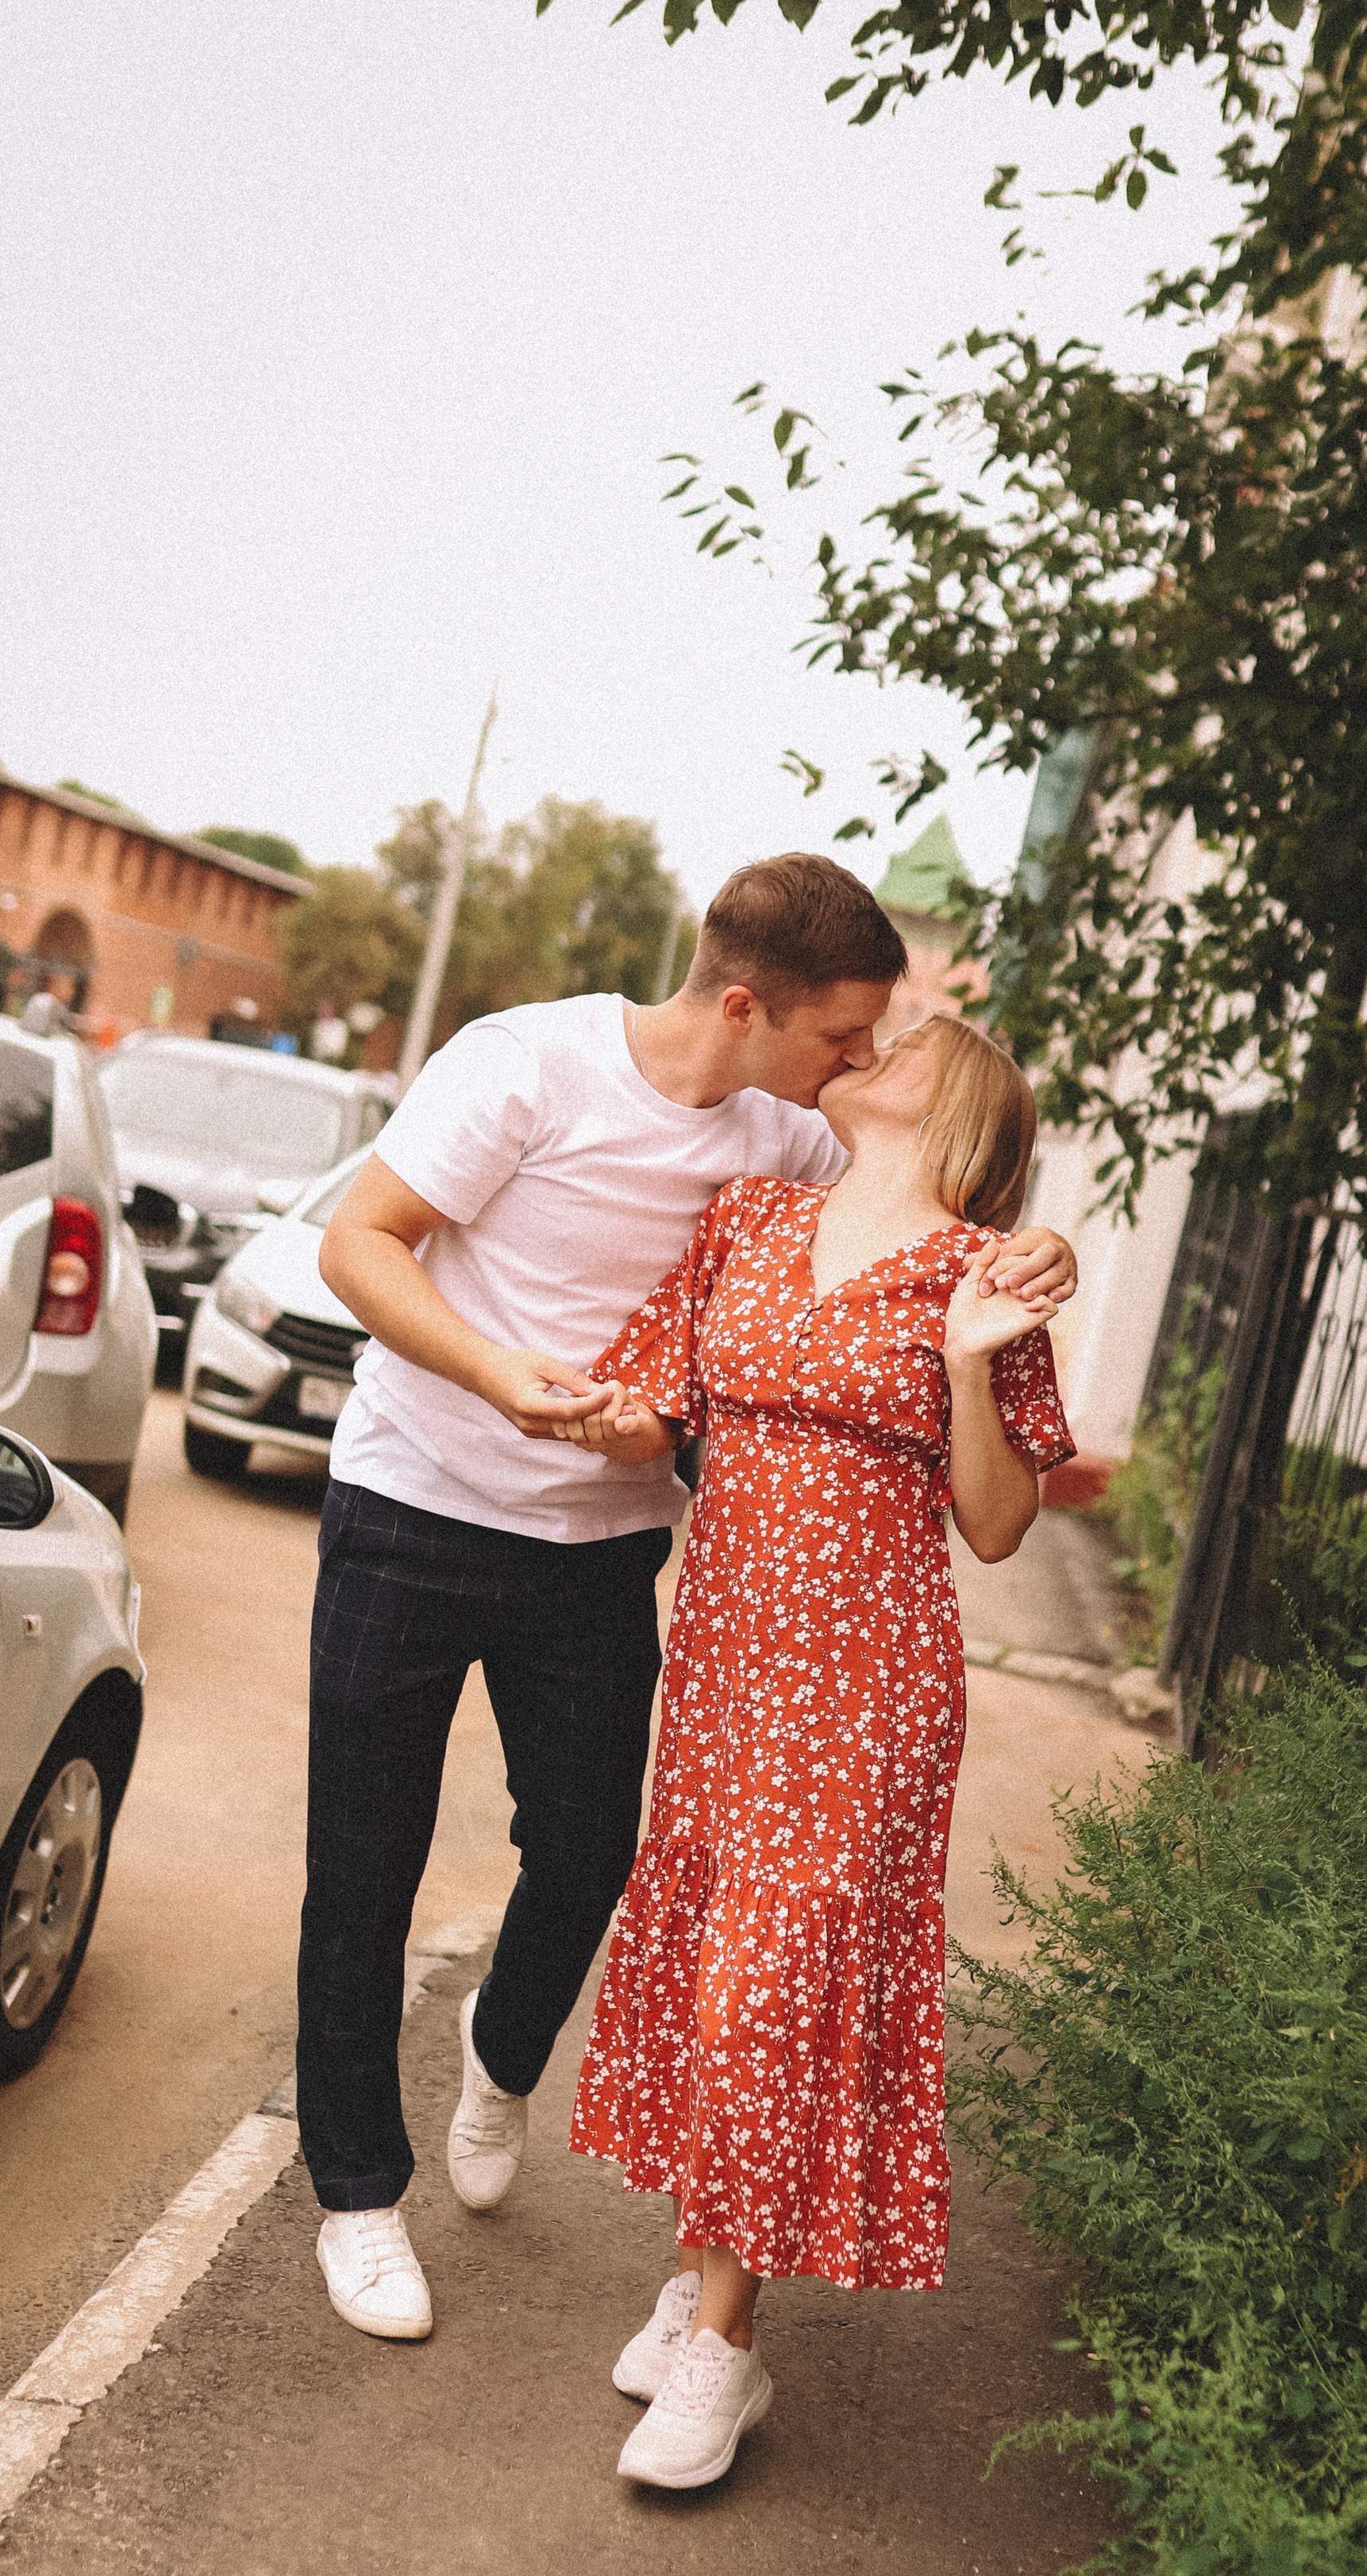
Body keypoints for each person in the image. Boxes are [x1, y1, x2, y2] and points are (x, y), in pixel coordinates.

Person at [302, 855, 1077, 2341]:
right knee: (363, 1869)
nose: (856, 1064)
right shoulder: (524, 1066)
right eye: (842, 1036)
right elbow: (358, 1242)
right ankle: (357, 2196)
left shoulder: (792, 1135)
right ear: (746, 1006)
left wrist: (1025, 1244)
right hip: (411, 1504)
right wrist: (494, 1374)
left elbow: (918, 1222)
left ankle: (504, 2046)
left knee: (591, 1851)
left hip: (599, 1551)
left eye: (874, 1048)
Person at [562, 1012, 1074, 2489]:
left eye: (907, 1040)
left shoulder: (983, 1278)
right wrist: (573, 1407)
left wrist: (975, 1364)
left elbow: (994, 1524)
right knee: (717, 1963)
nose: (873, 1042)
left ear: (963, 1103)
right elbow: (654, 1405)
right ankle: (700, 2273)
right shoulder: (752, 1215)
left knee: (769, 1986)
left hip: (864, 1688)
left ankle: (725, 2345)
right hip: (725, 1673)